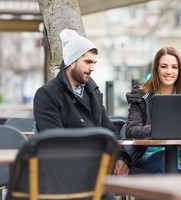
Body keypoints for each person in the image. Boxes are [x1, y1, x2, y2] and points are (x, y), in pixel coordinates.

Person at [34, 28, 132, 176]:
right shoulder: (47, 94)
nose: (92, 68)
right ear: (72, 62)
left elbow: (109, 129)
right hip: (71, 174)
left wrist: (121, 158)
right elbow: (54, 142)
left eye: (94, 63)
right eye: (87, 62)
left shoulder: (93, 92)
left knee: (151, 182)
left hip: (101, 167)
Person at [125, 46, 181, 173]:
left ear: (179, 70)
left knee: (166, 173)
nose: (169, 71)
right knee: (164, 161)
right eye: (164, 66)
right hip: (147, 157)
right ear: (156, 69)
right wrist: (160, 129)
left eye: (174, 67)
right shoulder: (141, 95)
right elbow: (131, 130)